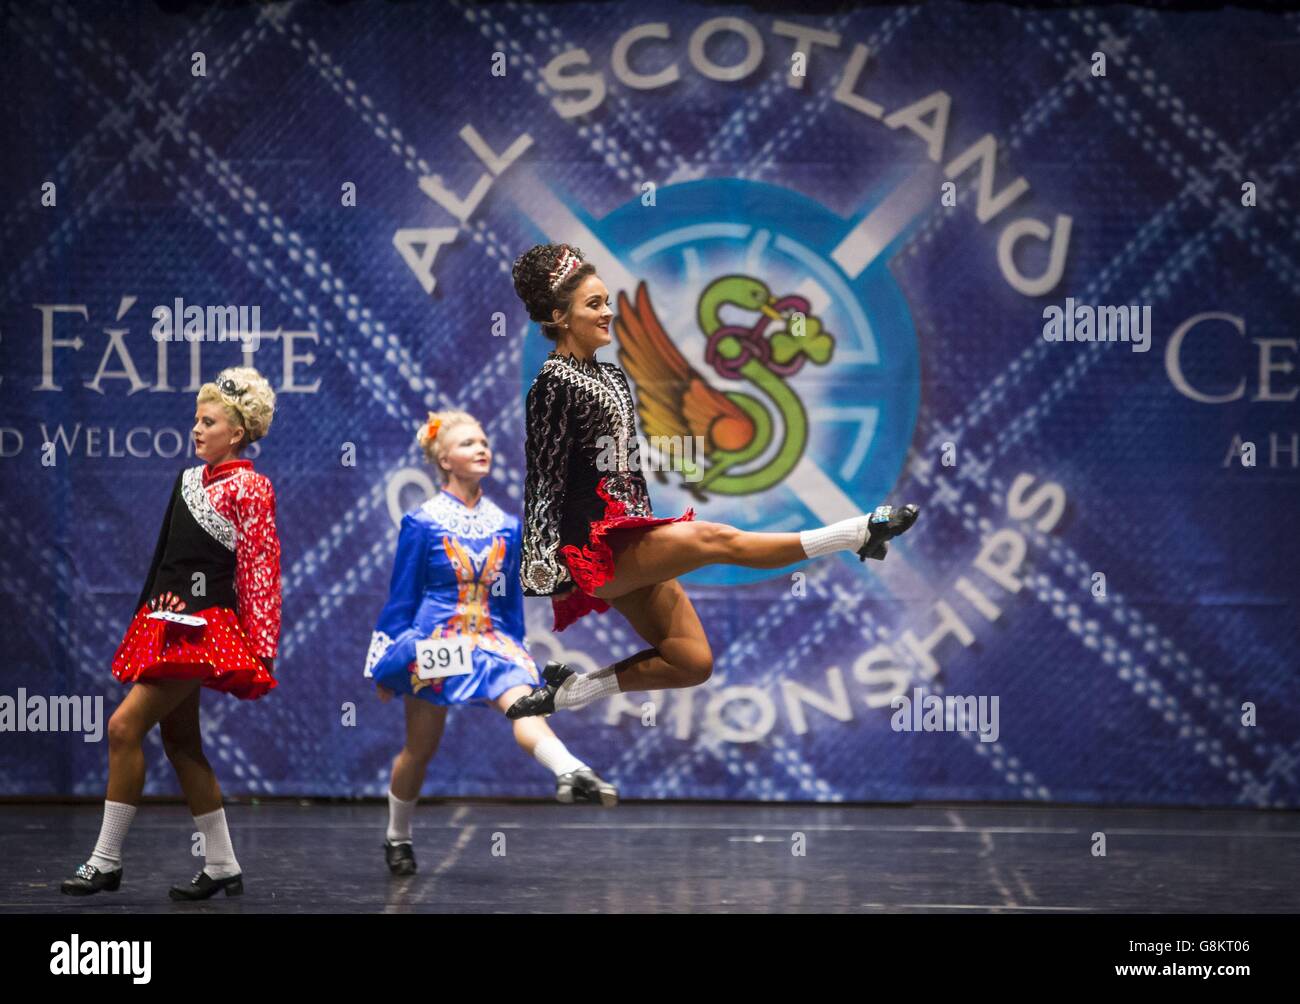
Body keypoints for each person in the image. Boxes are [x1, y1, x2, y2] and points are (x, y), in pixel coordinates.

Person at [507, 243, 919, 718]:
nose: (608, 313)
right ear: (559, 317)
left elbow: (626, 468)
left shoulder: (613, 377)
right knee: (715, 537)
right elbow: (543, 479)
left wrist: (645, 526)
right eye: (594, 305)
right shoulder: (553, 384)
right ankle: (856, 533)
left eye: (606, 301)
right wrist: (545, 570)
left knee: (691, 662)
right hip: (593, 548)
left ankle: (572, 692)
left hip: (629, 533)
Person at [60, 366, 281, 900]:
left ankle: (106, 859)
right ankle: (224, 864)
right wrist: (143, 621)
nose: (197, 429)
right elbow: (163, 562)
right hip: (167, 625)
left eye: (209, 422)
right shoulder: (185, 480)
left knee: (121, 728)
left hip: (205, 632)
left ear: (237, 432)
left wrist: (262, 645)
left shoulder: (251, 486)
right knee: (181, 742)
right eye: (195, 420)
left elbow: (258, 568)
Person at [366, 410, 616, 877]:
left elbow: (509, 601)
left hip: (491, 640)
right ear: (443, 459)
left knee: (525, 704)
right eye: (467, 444)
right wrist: (384, 665)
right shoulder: (421, 522)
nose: (481, 448)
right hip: (435, 643)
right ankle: (397, 836)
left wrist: (516, 649)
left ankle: (569, 770)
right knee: (420, 748)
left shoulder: (506, 523)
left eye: (483, 441)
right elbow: (401, 599)